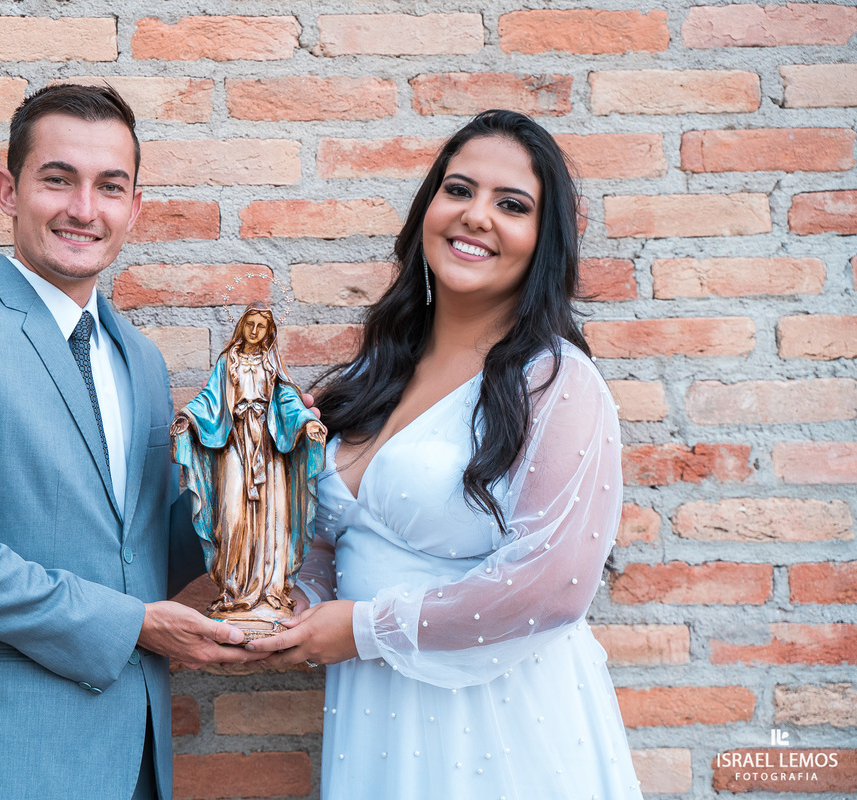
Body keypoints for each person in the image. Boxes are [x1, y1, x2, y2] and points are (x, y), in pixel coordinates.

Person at [0, 83, 263, 800]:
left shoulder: (140, 359)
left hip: (133, 757)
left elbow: (142, 553)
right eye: (59, 179)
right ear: (8, 190)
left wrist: (248, 470)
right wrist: (134, 626)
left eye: (109, 187)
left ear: (134, 208)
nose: (85, 209)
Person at [248, 109, 644, 798]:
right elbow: (335, 547)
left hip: (498, 724)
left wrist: (368, 628)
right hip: (379, 717)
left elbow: (553, 588)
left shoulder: (555, 383)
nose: (476, 215)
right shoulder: (376, 375)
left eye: (511, 204)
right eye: (458, 190)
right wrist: (293, 599)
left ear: (543, 240)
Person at [171, 303, 326, 633]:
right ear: (241, 326)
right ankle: (235, 590)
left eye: (261, 326)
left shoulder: (272, 366)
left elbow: (289, 403)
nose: (254, 331)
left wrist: (305, 424)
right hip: (235, 444)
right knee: (233, 515)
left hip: (269, 452)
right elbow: (210, 399)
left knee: (273, 518)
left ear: (269, 332)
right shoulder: (228, 363)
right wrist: (188, 417)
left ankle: (269, 592)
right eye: (250, 324)